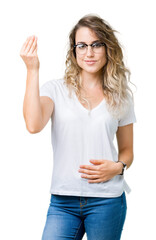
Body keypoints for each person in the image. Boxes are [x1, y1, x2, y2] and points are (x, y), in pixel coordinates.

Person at [20, 14, 136, 240]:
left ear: (107, 48)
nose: (89, 53)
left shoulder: (122, 96)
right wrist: (32, 70)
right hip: (63, 202)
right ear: (73, 51)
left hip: (107, 200)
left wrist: (117, 167)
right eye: (81, 46)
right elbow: (33, 125)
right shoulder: (55, 90)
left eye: (96, 45)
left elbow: (128, 151)